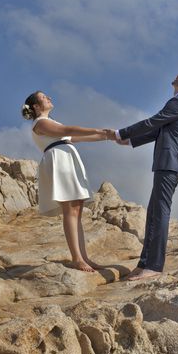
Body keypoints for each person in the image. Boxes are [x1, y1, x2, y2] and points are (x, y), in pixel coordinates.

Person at [106, 68, 178, 281]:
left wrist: (120, 133)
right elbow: (159, 130)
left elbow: (152, 121)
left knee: (159, 213)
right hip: (168, 163)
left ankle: (154, 266)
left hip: (170, 164)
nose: (177, 74)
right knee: (153, 213)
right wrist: (130, 141)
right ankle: (144, 264)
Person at [22, 91, 107, 273]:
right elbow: (67, 131)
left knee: (77, 208)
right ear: (36, 106)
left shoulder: (51, 122)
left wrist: (107, 135)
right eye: (44, 97)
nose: (49, 98)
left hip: (66, 158)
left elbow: (75, 137)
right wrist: (98, 130)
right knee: (70, 209)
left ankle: (83, 256)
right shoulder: (41, 123)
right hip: (58, 160)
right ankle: (77, 258)